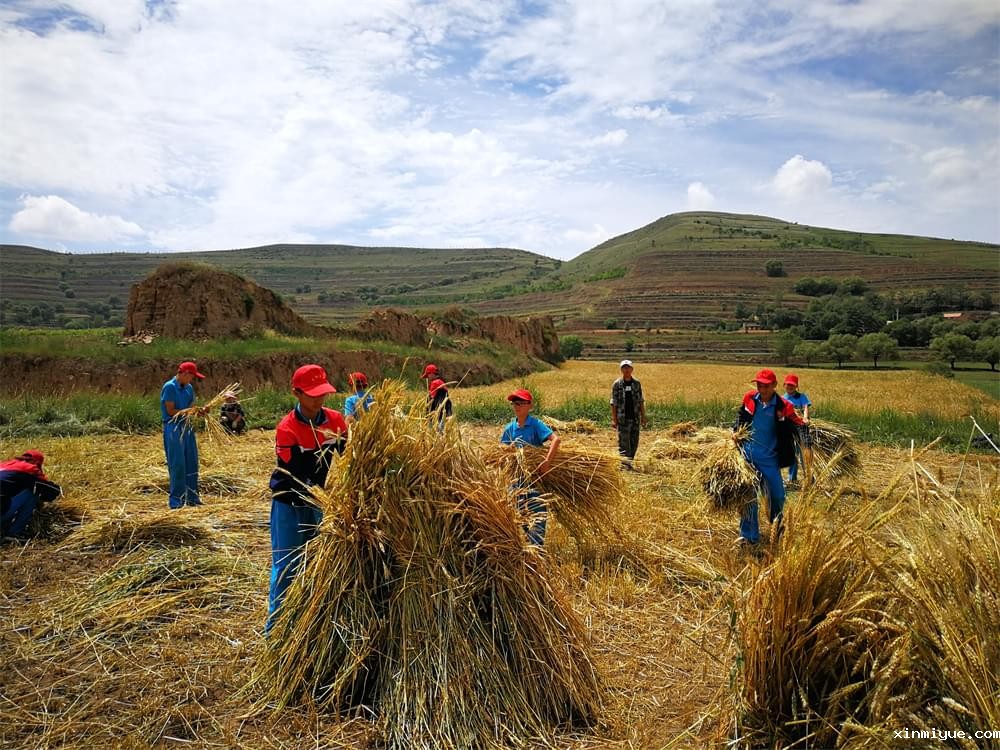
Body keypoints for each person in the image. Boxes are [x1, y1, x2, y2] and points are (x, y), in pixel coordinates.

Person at [266, 364, 347, 633]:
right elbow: (295, 475)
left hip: (317, 503)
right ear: (297, 393)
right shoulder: (286, 429)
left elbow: (349, 456)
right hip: (289, 502)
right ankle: (276, 630)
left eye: (322, 393)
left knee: (315, 564)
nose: (318, 399)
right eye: (312, 394)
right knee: (287, 566)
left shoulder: (335, 421)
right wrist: (326, 497)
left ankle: (307, 624)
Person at [733, 369, 804, 546]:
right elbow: (741, 417)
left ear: (774, 386)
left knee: (778, 496)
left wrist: (807, 430)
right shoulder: (750, 398)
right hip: (747, 455)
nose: (761, 389)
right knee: (748, 497)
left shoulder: (783, 406)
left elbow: (798, 424)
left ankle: (776, 529)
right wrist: (736, 431)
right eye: (759, 385)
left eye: (765, 386)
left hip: (770, 459)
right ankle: (749, 537)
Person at [500, 388, 561, 546]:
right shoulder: (509, 429)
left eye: (521, 403)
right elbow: (501, 453)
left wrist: (547, 462)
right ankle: (531, 552)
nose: (517, 406)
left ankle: (537, 555)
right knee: (522, 521)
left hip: (534, 482)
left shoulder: (535, 425)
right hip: (516, 484)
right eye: (515, 403)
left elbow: (556, 440)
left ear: (529, 406)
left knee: (537, 520)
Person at [160, 361, 206, 509]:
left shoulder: (188, 387)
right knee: (178, 463)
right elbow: (171, 411)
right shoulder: (170, 387)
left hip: (186, 426)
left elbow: (191, 407)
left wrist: (200, 411)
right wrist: (189, 412)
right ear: (185, 373)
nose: (192, 380)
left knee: (191, 461)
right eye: (192, 376)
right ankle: (176, 501)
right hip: (173, 427)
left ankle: (192, 497)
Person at [1, 450, 61, 541]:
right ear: (37, 463)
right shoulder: (29, 468)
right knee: (32, 492)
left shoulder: (4, 465)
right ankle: (14, 533)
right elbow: (51, 490)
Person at [610, 359, 648, 470]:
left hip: (635, 417)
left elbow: (641, 400)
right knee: (623, 442)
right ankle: (625, 465)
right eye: (624, 368)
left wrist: (643, 416)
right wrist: (614, 419)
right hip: (623, 418)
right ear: (621, 370)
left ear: (632, 369)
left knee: (634, 442)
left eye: (628, 367)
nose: (626, 370)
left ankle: (629, 462)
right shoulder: (617, 384)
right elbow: (614, 403)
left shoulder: (636, 383)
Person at [781, 374, 812, 486]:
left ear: (796, 386)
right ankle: (792, 478)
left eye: (792, 385)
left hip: (801, 427)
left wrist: (805, 417)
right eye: (788, 385)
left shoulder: (802, 397)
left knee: (804, 453)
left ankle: (809, 478)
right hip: (789, 428)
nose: (790, 387)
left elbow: (805, 407)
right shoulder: (783, 398)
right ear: (784, 385)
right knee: (792, 454)